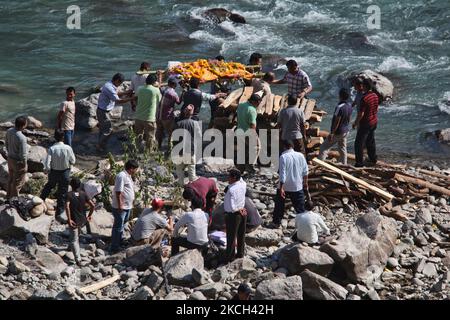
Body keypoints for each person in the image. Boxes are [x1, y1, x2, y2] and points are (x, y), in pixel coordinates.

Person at [270, 140, 309, 229]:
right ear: (292, 146)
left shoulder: (283, 157)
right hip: (297, 186)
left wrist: (281, 188)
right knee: (300, 208)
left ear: (284, 147)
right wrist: (305, 183)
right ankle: (304, 225)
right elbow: (305, 171)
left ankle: (276, 223)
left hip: (285, 186)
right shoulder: (300, 155)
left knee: (279, 206)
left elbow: (282, 174)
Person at [41, 129, 76, 224]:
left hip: (54, 172)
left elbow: (47, 164)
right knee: (63, 192)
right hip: (65, 172)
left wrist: (48, 170)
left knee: (49, 186)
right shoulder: (68, 148)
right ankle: (59, 213)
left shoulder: (52, 149)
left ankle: (41, 200)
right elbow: (73, 161)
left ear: (55, 137)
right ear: (63, 137)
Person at [96, 73, 134, 150]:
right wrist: (132, 98)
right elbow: (119, 100)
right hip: (103, 112)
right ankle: (100, 145)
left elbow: (116, 94)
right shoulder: (109, 87)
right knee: (108, 130)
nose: (119, 85)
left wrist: (126, 93)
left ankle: (101, 145)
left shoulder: (109, 84)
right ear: (117, 80)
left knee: (103, 129)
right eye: (120, 83)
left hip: (103, 110)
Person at [110, 159, 139, 253]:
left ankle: (119, 240)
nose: (136, 171)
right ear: (131, 168)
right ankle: (114, 247)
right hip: (121, 207)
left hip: (127, 206)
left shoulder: (128, 176)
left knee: (123, 224)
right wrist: (120, 206)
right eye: (135, 169)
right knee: (118, 226)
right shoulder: (121, 176)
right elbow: (118, 192)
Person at [65, 177, 95, 266]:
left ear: (71, 185)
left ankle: (78, 259)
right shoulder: (83, 194)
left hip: (73, 220)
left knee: (74, 240)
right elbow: (93, 205)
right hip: (82, 220)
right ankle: (70, 248)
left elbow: (67, 207)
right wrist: (89, 215)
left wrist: (69, 219)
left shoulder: (69, 195)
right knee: (76, 235)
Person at [318, 89, 353, 164]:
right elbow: (349, 119)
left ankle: (321, 164)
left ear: (340, 96)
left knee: (323, 148)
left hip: (338, 132)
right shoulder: (349, 106)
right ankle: (344, 164)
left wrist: (332, 133)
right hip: (345, 131)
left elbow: (337, 121)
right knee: (342, 149)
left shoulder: (339, 107)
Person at [353, 78, 379, 167]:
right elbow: (376, 108)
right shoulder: (375, 95)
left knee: (358, 144)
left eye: (363, 85)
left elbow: (361, 114)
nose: (361, 87)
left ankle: (359, 163)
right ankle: (373, 159)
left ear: (365, 86)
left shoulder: (365, 98)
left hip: (366, 123)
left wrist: (355, 123)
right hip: (374, 121)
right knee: (370, 141)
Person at [173, 105, 202, 185]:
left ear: (184, 113)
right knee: (192, 169)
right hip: (191, 150)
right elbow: (199, 136)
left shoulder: (178, 123)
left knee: (179, 169)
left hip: (180, 150)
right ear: (192, 114)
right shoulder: (195, 123)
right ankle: (192, 184)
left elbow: (174, 138)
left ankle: (180, 183)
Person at [224, 169, 247, 262]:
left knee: (231, 237)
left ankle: (230, 257)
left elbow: (232, 207)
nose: (227, 178)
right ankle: (240, 254)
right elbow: (241, 179)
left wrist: (238, 209)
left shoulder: (231, 190)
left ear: (234, 178)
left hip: (233, 215)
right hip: (243, 213)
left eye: (229, 176)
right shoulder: (243, 184)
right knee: (241, 235)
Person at [134, 74, 162, 151]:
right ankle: (148, 152)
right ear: (154, 82)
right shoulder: (156, 90)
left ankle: (137, 149)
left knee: (138, 135)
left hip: (138, 116)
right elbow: (159, 100)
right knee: (150, 137)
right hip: (149, 117)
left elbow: (136, 96)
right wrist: (158, 86)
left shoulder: (139, 88)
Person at [235, 93, 262, 173]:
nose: (258, 105)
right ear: (253, 101)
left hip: (239, 131)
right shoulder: (252, 110)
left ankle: (240, 168)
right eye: (258, 103)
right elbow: (252, 124)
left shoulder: (241, 105)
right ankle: (250, 166)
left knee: (243, 150)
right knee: (257, 147)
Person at [5, 116, 28, 199]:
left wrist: (9, 152)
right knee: (17, 182)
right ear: (23, 125)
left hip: (10, 158)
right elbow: (23, 155)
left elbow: (6, 143)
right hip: (18, 162)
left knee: (11, 179)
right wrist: (25, 164)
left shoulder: (9, 131)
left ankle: (8, 196)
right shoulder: (22, 138)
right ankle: (13, 201)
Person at [156, 76, 181, 151]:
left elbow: (159, 86)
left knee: (160, 132)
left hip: (158, 116)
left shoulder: (164, 90)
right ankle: (169, 149)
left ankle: (159, 147)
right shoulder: (173, 93)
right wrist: (183, 93)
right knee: (171, 133)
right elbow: (178, 102)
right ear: (174, 85)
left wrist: (159, 76)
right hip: (167, 117)